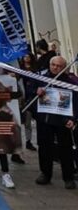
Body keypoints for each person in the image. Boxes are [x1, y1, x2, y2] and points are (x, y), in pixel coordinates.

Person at [34, 55, 78, 189]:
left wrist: (73, 118)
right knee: (45, 147)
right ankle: (45, 173)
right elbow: (30, 93)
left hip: (62, 120)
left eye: (59, 66)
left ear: (63, 67)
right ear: (49, 65)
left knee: (65, 149)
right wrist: (37, 92)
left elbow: (76, 102)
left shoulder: (70, 82)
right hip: (45, 119)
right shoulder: (41, 79)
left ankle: (68, 177)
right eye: (53, 65)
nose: (55, 68)